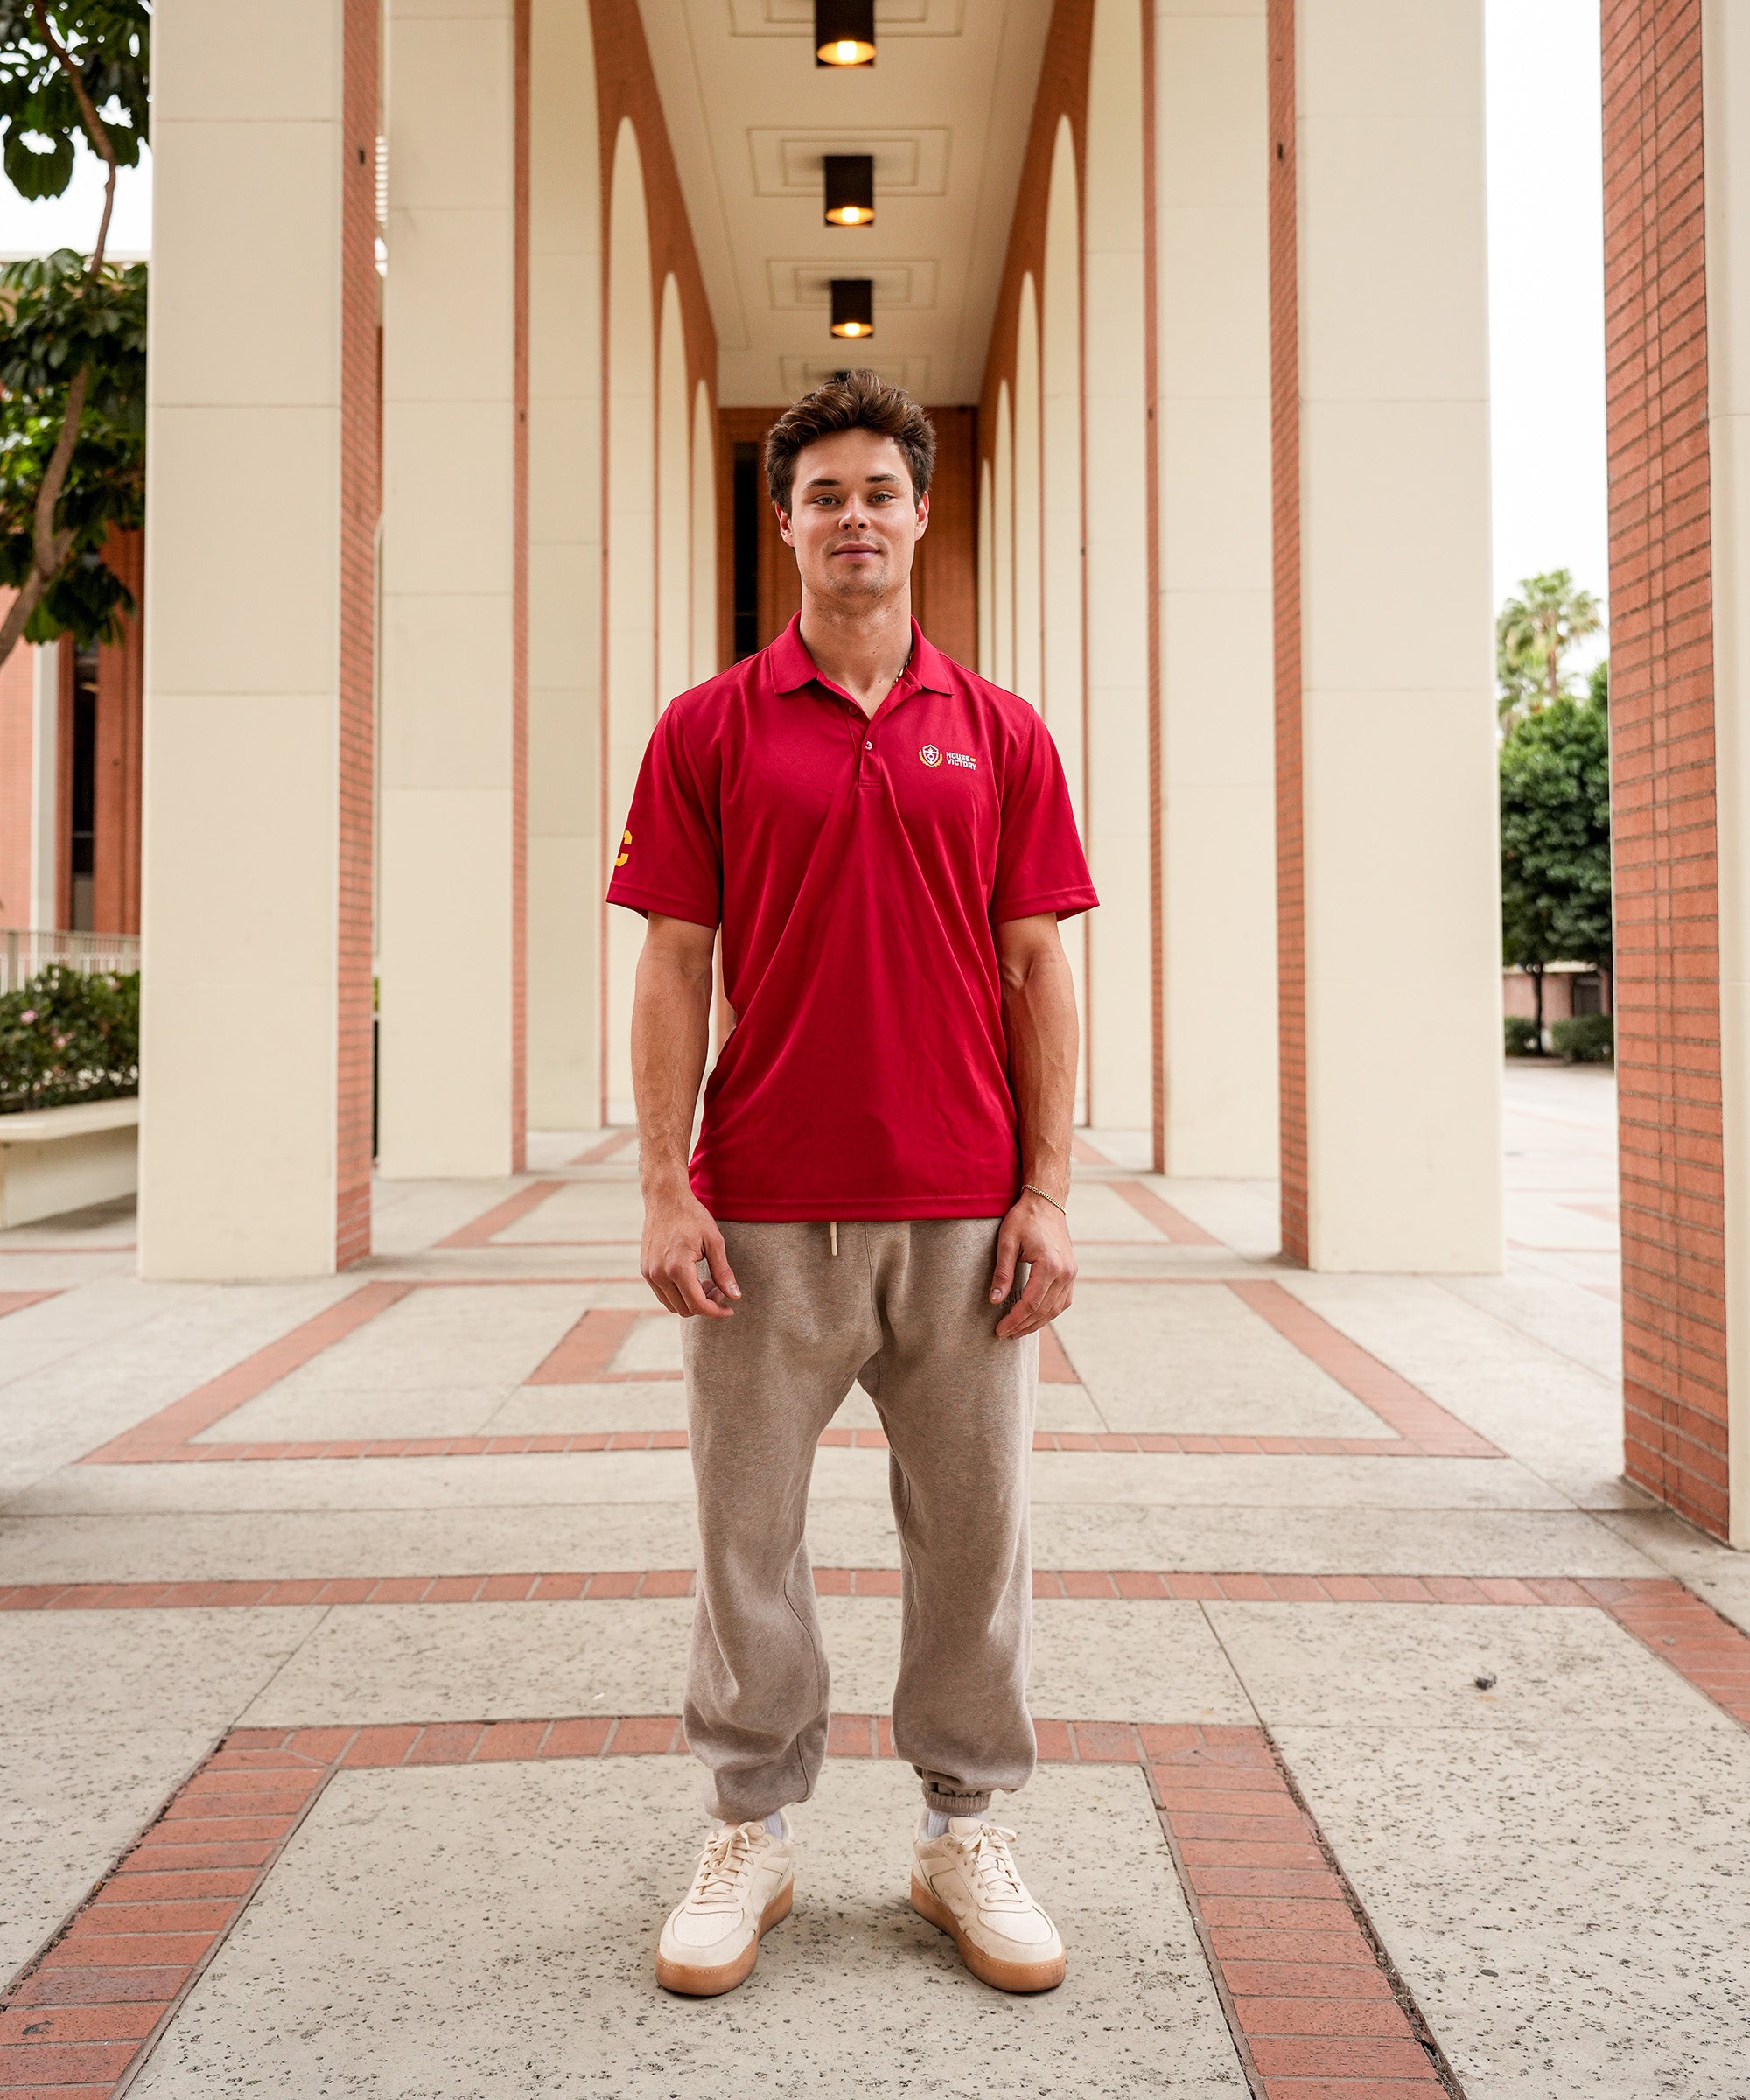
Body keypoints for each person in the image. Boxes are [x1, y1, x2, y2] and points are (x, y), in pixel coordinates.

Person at [607, 370, 1097, 1998]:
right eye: (826, 495)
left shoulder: (1005, 731)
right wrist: (665, 1184)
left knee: (976, 1542)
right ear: (787, 524)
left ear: (922, 512)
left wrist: (1051, 1190)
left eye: (882, 490)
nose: (857, 519)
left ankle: (965, 1829)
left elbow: (1040, 972)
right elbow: (676, 965)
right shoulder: (709, 729)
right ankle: (750, 1826)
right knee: (744, 1540)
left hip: (964, 1216)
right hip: (760, 1209)